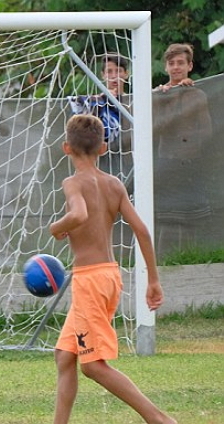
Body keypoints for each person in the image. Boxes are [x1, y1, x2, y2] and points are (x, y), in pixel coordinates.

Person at [49, 114, 177, 424]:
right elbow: (142, 231)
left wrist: (57, 226)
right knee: (65, 355)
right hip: (109, 275)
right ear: (103, 148)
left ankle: (159, 419)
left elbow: (78, 214)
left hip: (89, 280)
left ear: (66, 148)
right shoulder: (114, 184)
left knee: (92, 365)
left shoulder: (71, 182)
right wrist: (153, 281)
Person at [151, 43, 212, 251]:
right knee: (166, 217)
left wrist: (190, 146)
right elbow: (155, 128)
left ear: (190, 66)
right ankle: (162, 262)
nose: (176, 67)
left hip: (190, 164)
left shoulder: (198, 95)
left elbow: (206, 131)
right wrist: (167, 96)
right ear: (165, 67)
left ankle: (189, 259)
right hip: (166, 163)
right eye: (171, 63)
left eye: (180, 63)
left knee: (190, 216)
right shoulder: (158, 95)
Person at [68, 53, 133, 194]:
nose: (114, 76)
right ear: (103, 75)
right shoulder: (94, 102)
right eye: (109, 71)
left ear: (126, 74)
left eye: (118, 71)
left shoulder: (135, 101)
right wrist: (99, 100)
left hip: (130, 164)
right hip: (103, 163)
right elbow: (76, 111)